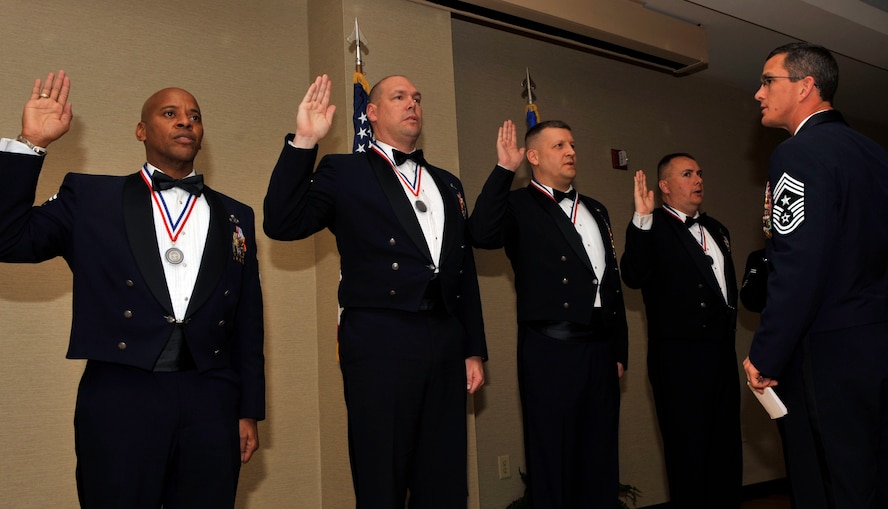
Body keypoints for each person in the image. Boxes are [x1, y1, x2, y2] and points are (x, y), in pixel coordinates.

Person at [0, 71, 265, 508]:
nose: (185, 122)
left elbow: (248, 320)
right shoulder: (91, 197)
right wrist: (32, 144)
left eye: (194, 116)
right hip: (121, 395)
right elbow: (8, 237)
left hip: (212, 399)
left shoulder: (236, 214)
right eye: (170, 113)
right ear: (142, 131)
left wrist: (247, 408)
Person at [263, 74, 486, 508]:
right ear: (372, 112)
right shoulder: (345, 171)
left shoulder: (447, 182)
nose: (412, 104)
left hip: (443, 336)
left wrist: (472, 347)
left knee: (444, 477)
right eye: (399, 97)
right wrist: (305, 141)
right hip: (380, 336)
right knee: (382, 473)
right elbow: (282, 222)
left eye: (417, 98)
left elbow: (464, 270)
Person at [744, 42, 888, 509]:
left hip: (829, 352)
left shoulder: (799, 153)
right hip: (875, 344)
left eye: (769, 81)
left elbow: (801, 266)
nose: (758, 93)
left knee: (828, 482)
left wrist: (765, 353)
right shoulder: (874, 154)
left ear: (806, 86)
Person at [469, 119, 628, 508]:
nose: (571, 152)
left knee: (601, 457)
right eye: (559, 146)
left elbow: (612, 283)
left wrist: (619, 350)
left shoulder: (597, 208)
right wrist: (504, 169)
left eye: (572, 144)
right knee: (553, 459)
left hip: (600, 348)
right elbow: (481, 234)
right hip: (551, 347)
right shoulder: (518, 205)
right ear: (534, 157)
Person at [620, 154, 741, 509]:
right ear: (665, 186)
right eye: (687, 174)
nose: (698, 180)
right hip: (678, 362)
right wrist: (641, 217)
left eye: (700, 173)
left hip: (721, 356)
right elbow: (633, 274)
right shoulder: (652, 225)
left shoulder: (718, 230)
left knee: (726, 452)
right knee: (688, 456)